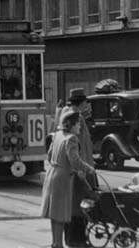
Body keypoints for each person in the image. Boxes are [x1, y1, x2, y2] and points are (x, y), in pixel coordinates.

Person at [41, 110, 96, 248]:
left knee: (54, 213)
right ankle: (59, 245)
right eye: (78, 124)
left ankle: (55, 242)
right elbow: (75, 161)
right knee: (60, 214)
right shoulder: (71, 139)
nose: (80, 126)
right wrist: (89, 169)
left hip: (52, 173)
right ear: (71, 125)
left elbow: (49, 155)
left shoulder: (57, 135)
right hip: (62, 178)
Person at [59, 88, 96, 247]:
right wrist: (87, 168)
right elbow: (79, 149)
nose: (87, 105)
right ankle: (78, 241)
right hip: (81, 170)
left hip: (74, 170)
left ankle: (71, 239)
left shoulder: (65, 113)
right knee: (81, 206)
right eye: (85, 102)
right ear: (81, 103)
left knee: (72, 206)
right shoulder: (76, 118)